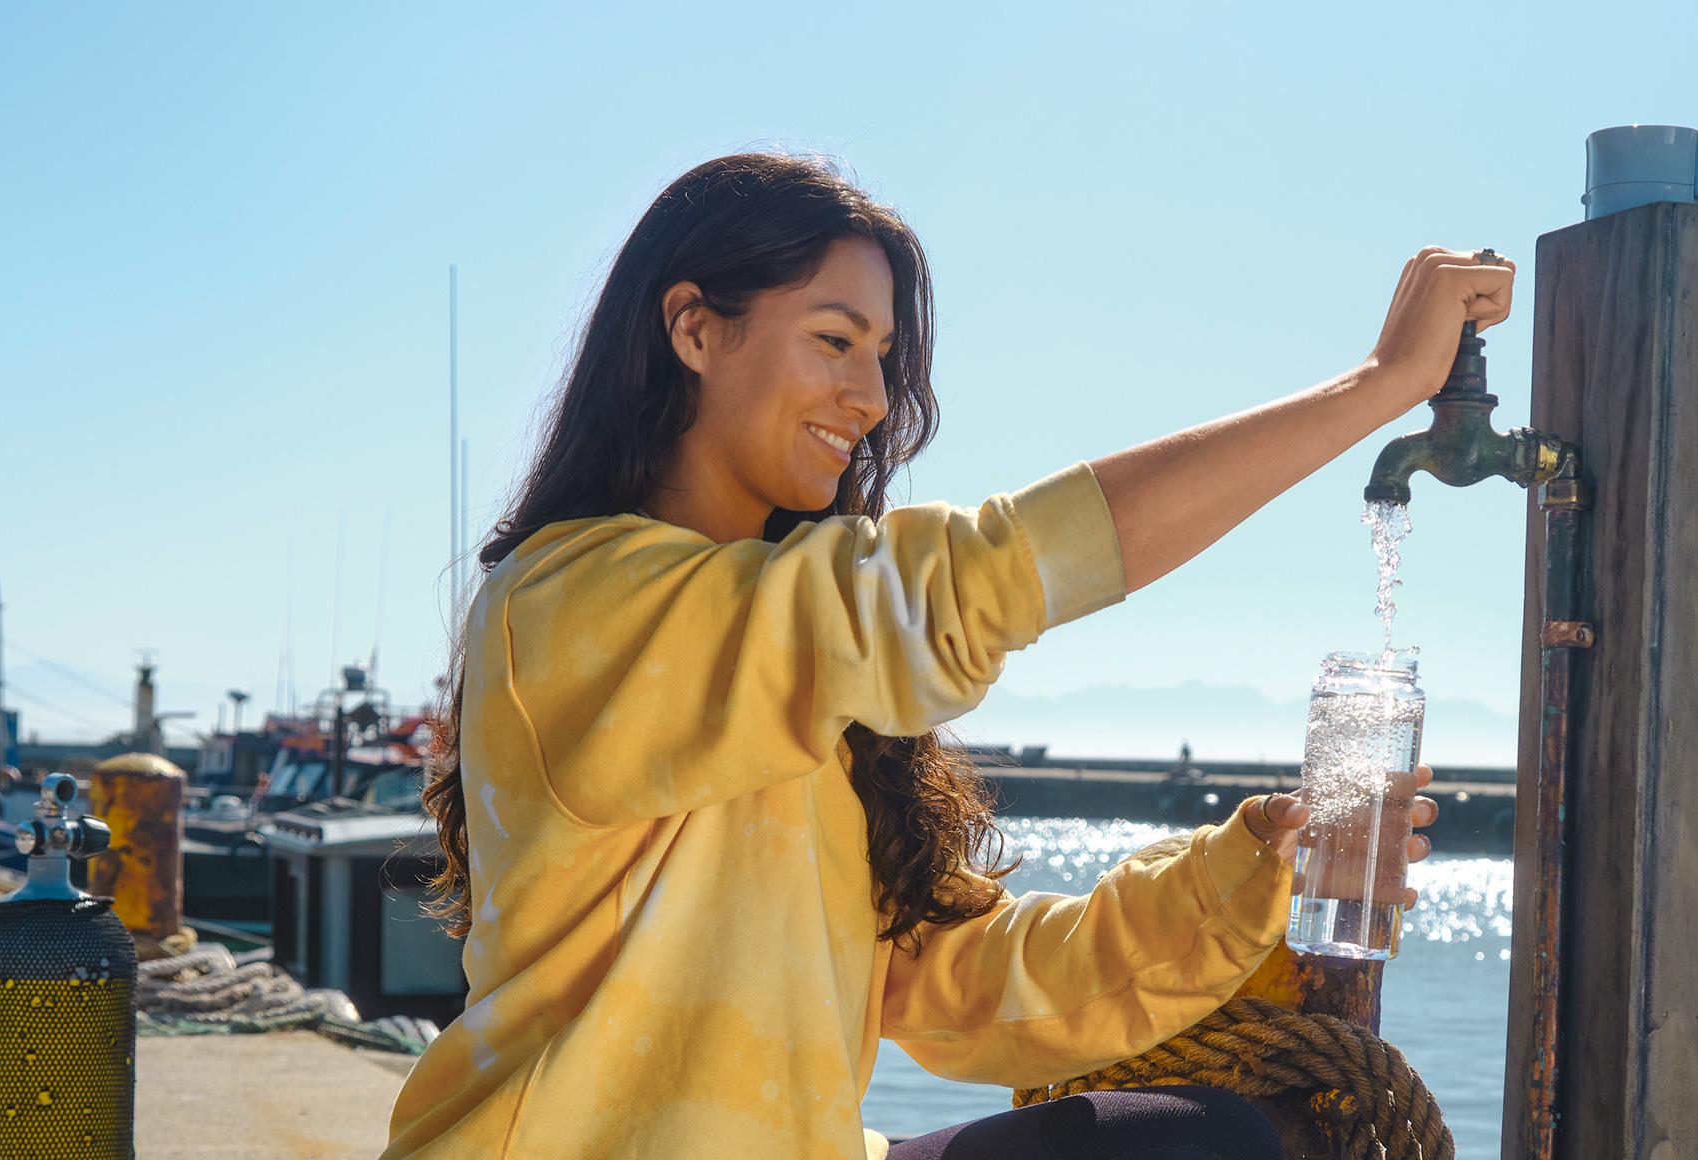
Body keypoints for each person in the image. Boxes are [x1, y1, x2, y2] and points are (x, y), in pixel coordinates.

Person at [389, 155, 1465, 1159]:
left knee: (1202, 1139)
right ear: (692, 326)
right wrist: (1375, 387)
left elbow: (974, 984)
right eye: (832, 339)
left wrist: (1253, 868)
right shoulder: (572, 602)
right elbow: (971, 579)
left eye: (883, 356)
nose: (868, 399)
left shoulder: (812, 681)